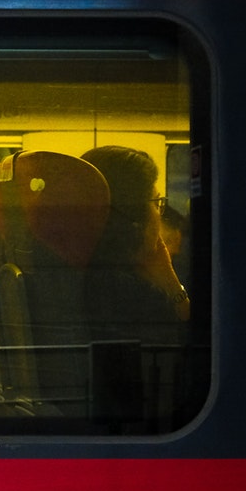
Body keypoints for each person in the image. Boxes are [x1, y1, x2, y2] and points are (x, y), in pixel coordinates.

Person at [80, 145, 189, 344]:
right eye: (157, 203)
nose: (159, 214)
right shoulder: (132, 293)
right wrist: (172, 286)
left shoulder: (78, 272)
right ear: (133, 215)